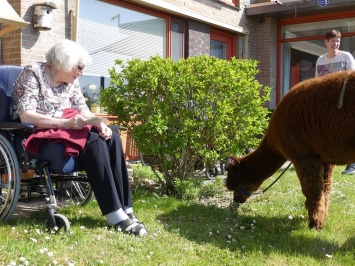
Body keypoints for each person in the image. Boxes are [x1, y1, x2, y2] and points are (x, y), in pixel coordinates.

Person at [11, 39, 148, 236]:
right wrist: (64, 123)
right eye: (80, 67)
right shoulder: (33, 73)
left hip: (65, 130)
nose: (82, 73)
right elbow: (27, 115)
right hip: (36, 132)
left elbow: (81, 108)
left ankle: (126, 209)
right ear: (64, 62)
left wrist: (99, 123)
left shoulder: (71, 81)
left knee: (113, 137)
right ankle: (114, 215)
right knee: (93, 143)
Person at [315, 29, 355, 175]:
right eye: (332, 41)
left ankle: (352, 164)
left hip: (346, 101)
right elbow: (317, 82)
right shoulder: (321, 60)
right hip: (328, 103)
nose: (335, 44)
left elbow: (353, 79)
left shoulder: (347, 56)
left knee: (349, 130)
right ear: (326, 42)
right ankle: (328, 160)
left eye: (337, 41)